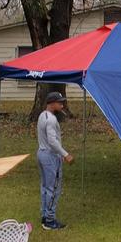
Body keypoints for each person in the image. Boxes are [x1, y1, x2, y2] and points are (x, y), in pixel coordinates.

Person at [37, 91, 74, 230]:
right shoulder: (51, 120)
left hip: (41, 153)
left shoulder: (42, 115)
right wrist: (65, 154)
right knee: (54, 188)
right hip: (50, 156)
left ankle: (45, 215)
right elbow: (52, 141)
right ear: (52, 103)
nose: (62, 104)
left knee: (45, 186)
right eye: (60, 102)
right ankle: (50, 220)